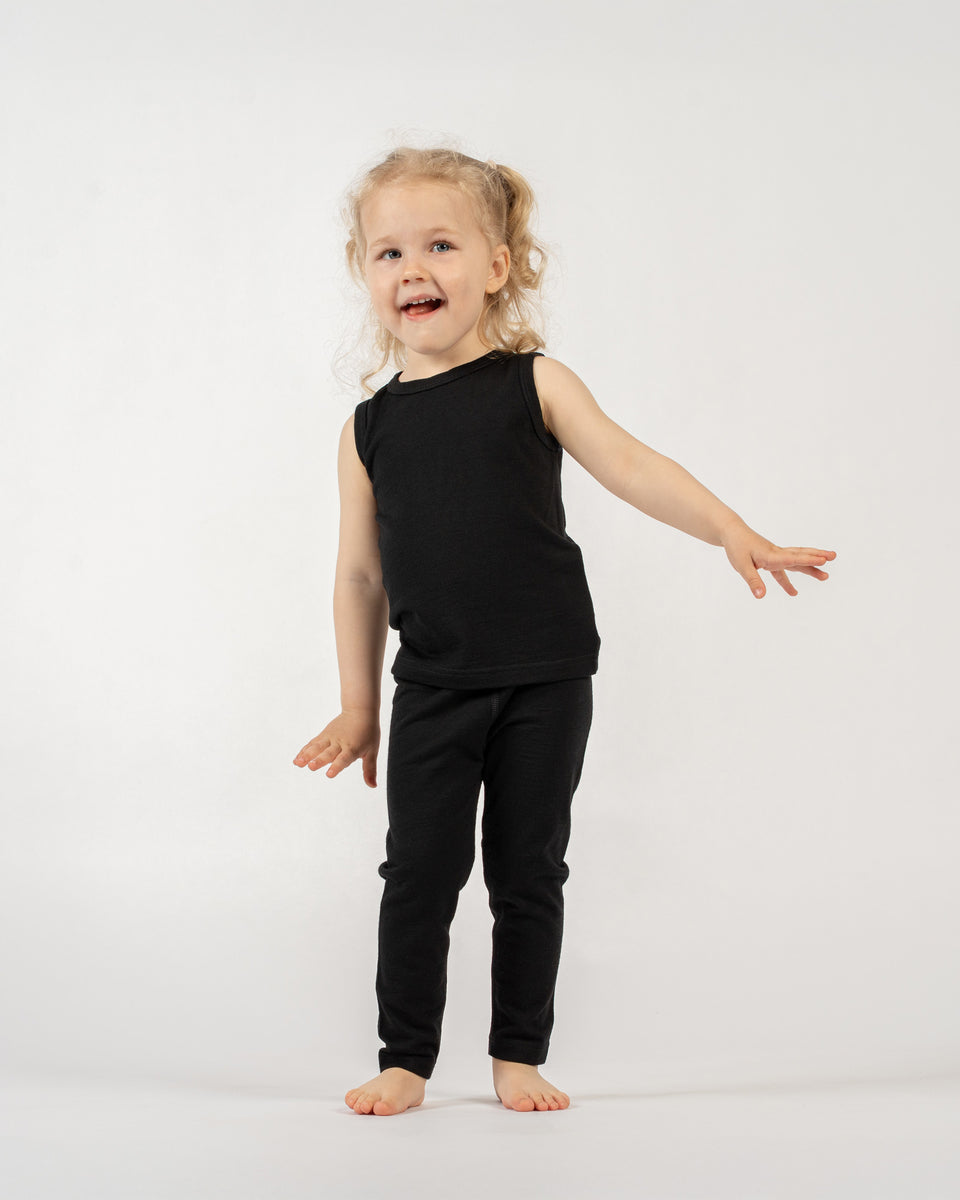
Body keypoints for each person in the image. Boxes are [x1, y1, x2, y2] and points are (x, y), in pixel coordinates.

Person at [292, 147, 836, 1117]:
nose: (414, 269)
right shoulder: (367, 430)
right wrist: (357, 705)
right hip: (434, 685)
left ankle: (518, 1056)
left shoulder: (534, 384)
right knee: (418, 873)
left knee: (527, 870)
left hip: (546, 677)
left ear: (497, 265)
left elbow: (630, 464)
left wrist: (729, 529)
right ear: (363, 272)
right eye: (389, 252)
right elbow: (361, 574)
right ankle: (405, 1057)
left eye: (441, 245)